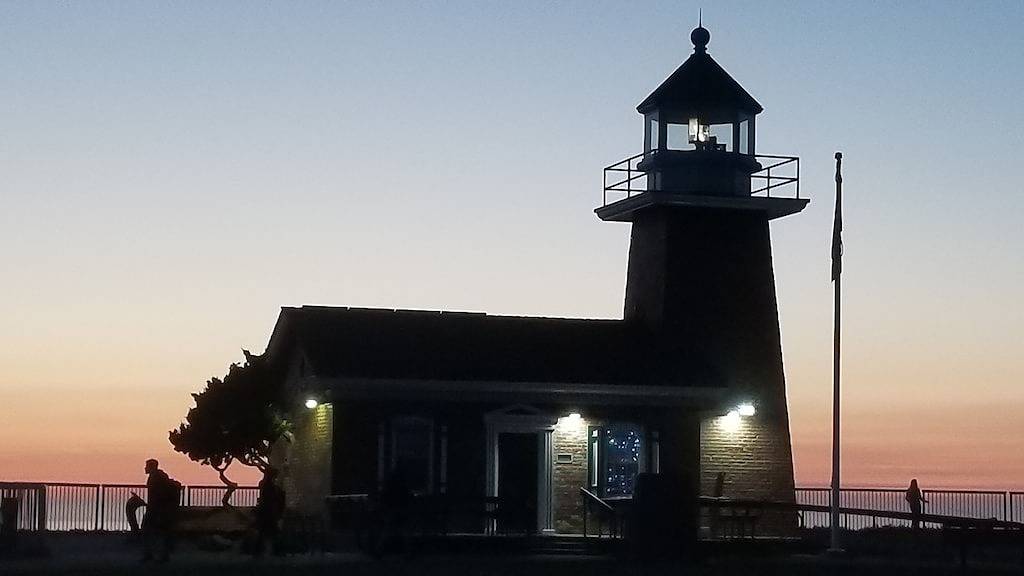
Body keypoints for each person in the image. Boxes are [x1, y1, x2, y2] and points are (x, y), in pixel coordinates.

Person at [142, 458, 181, 562]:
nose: (145, 468)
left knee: (149, 531)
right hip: (160, 509)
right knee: (162, 533)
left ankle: (153, 554)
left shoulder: (156, 478)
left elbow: (157, 495)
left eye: (147, 466)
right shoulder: (159, 477)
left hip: (157, 510)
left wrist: (153, 507)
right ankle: (161, 554)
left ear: (151, 467)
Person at [253, 467, 286, 556]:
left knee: (265, 533)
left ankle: (259, 551)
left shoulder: (265, 484)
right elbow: (270, 499)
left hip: (266, 512)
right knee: (271, 533)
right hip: (268, 512)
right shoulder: (269, 485)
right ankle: (277, 551)